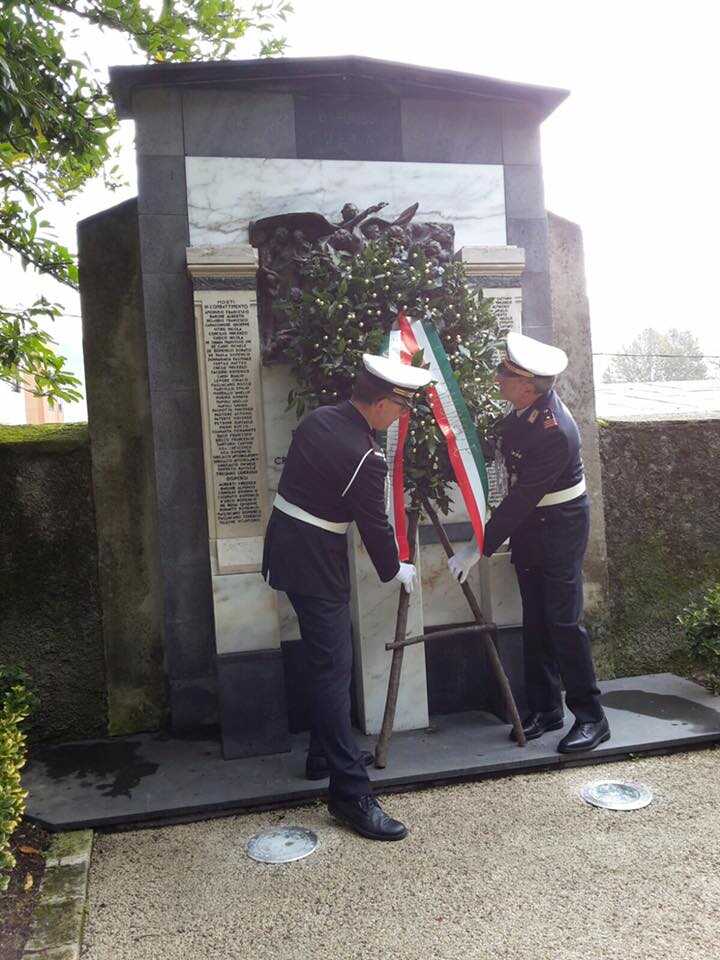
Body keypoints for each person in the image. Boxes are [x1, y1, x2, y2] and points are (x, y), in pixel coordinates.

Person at [262, 353, 431, 840]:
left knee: (325, 661)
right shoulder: (365, 455)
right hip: (315, 562)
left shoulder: (320, 418)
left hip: (289, 547)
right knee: (333, 671)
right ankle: (349, 794)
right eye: (401, 407)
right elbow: (374, 523)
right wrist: (394, 568)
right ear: (380, 403)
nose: (402, 416)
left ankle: (322, 753)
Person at [448, 331, 610, 754]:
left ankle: (592, 717)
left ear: (527, 386)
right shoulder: (522, 413)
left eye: (506, 373)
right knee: (535, 618)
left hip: (559, 525)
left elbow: (521, 498)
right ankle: (546, 708)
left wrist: (478, 546)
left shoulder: (554, 430)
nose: (497, 377)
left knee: (563, 621)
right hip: (532, 525)